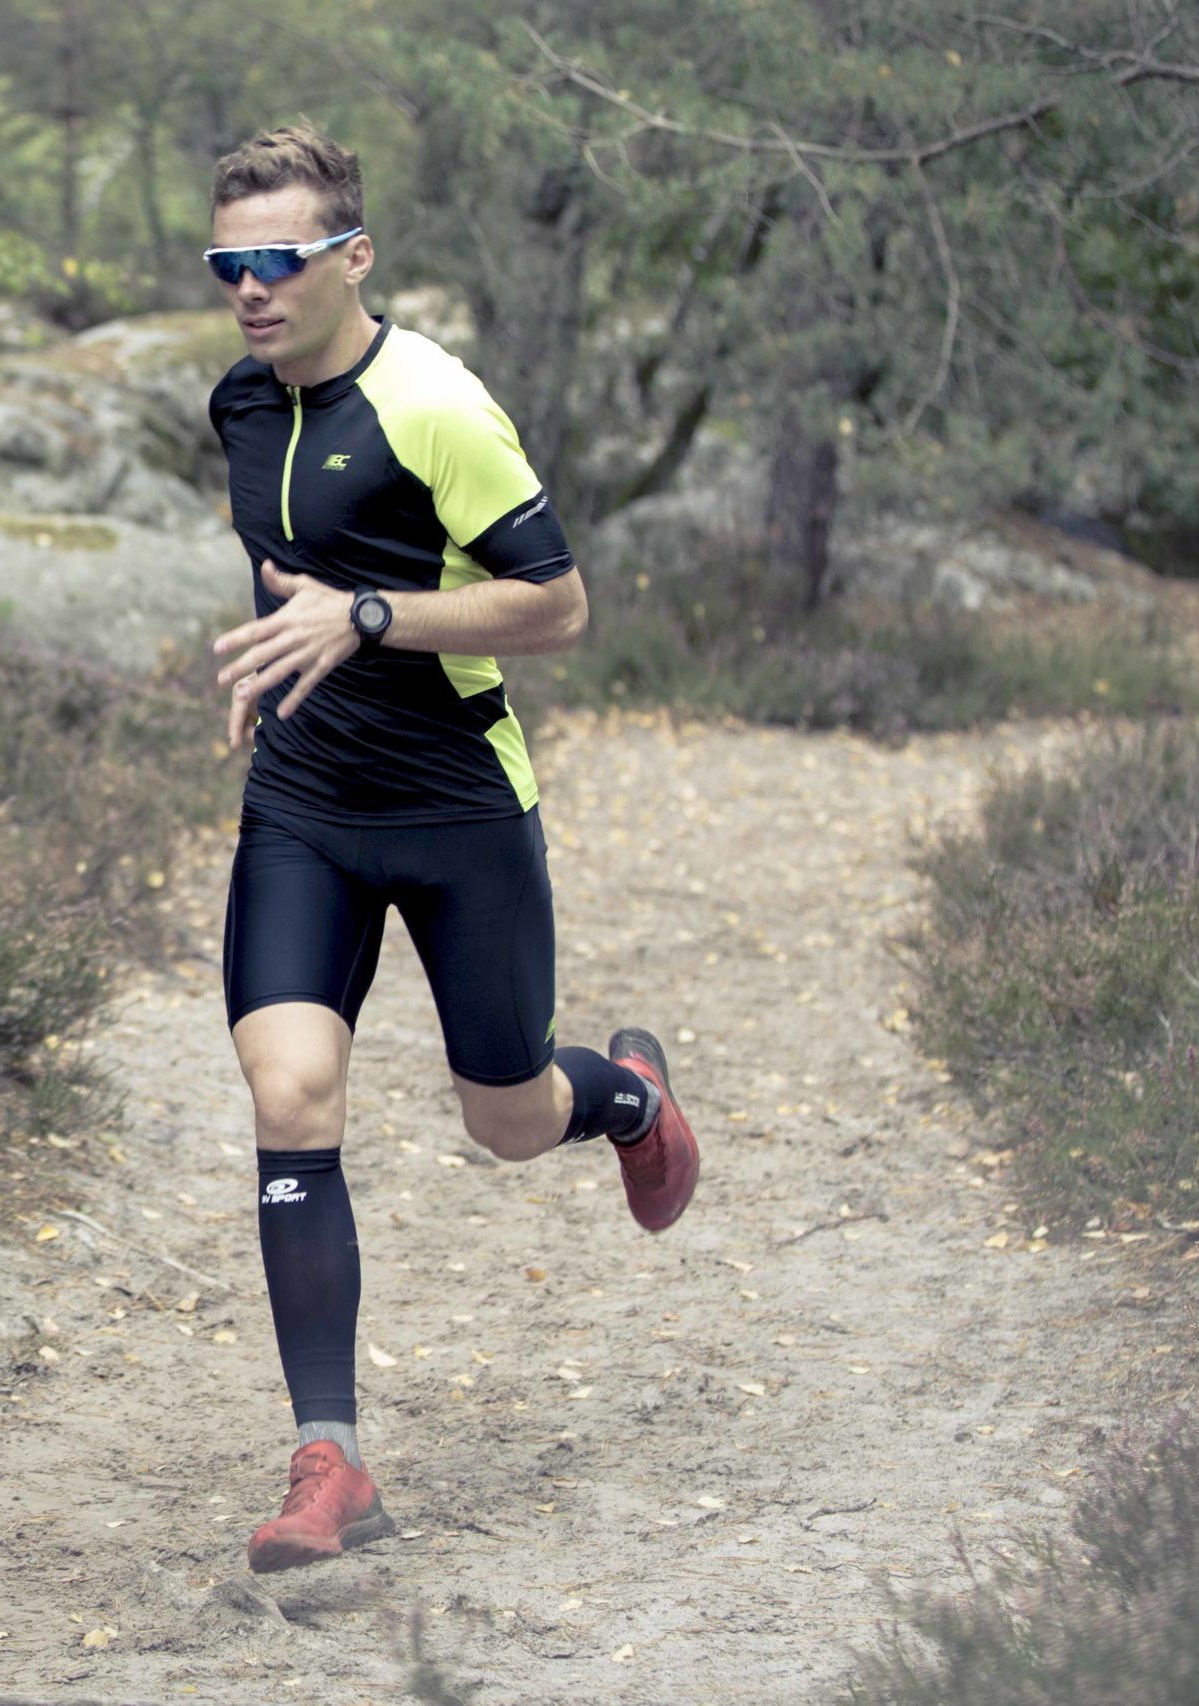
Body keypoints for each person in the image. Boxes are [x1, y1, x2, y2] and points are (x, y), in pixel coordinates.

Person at [197, 127, 700, 1575]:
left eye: (279, 258)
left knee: (507, 1118)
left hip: (458, 806)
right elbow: (289, 571)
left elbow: (558, 605)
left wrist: (364, 619)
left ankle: (625, 1098)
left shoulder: (436, 406)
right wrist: (283, 658)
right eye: (227, 264)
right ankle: (330, 1459)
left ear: (352, 257)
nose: (251, 288)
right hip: (303, 805)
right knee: (291, 1094)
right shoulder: (240, 401)